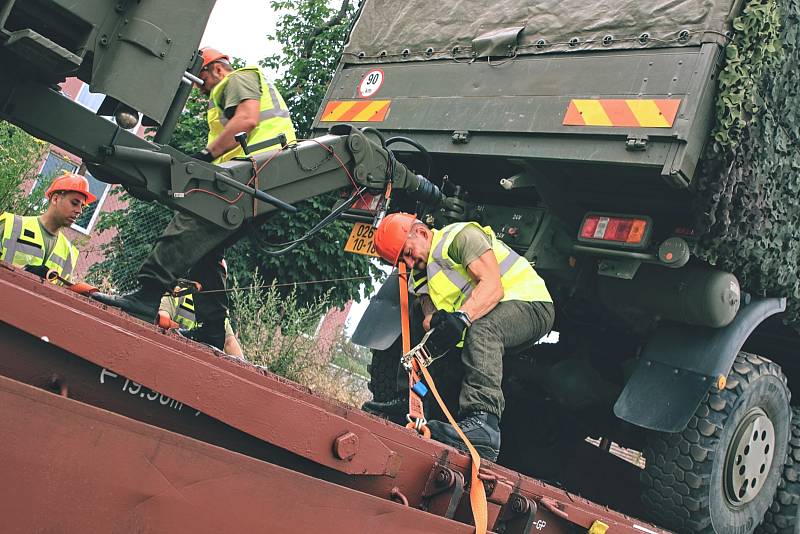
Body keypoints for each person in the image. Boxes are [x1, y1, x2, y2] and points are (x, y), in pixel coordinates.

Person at [93, 47, 297, 351]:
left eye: (201, 79)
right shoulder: (222, 99)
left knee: (194, 220)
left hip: (259, 167)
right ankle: (213, 331)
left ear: (216, 69)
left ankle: (147, 295)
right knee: (206, 252)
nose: (201, 89)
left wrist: (205, 155)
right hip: (260, 172)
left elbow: (247, 119)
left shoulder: (236, 80)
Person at [372, 213, 555, 461]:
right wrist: (437, 323)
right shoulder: (420, 271)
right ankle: (412, 402)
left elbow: (493, 286)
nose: (409, 261)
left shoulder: (460, 237)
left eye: (408, 252)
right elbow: (428, 316)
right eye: (402, 261)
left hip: (530, 302)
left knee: (483, 330)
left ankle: (485, 425)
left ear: (422, 233)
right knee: (429, 333)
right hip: (484, 311)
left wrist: (461, 319)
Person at [0, 172, 95, 281]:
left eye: (82, 206)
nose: (79, 211)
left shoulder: (69, 252)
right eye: (74, 203)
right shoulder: (11, 225)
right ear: (55, 199)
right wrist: (23, 271)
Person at [159, 259, 244, 357]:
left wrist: (246, 367)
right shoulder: (178, 293)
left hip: (199, 358)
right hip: (171, 351)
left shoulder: (219, 311)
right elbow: (162, 319)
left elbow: (229, 342)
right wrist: (183, 334)